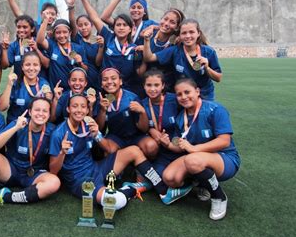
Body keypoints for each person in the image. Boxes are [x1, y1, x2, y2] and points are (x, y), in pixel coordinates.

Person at [49, 94, 191, 210]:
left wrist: (97, 134)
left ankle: (163, 190)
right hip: (79, 180)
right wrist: (62, 152)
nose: (78, 110)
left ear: (87, 110)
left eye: (82, 107)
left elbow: (108, 148)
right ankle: (130, 190)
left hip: (96, 168)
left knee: (134, 151)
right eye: (74, 106)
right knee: (115, 201)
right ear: (68, 109)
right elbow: (53, 171)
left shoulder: (88, 124)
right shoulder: (59, 134)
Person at [0, 97, 60, 237]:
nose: (40, 113)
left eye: (44, 111)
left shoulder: (53, 131)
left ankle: (5, 197)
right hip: (11, 170)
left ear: (49, 114)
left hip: (34, 174)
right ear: (29, 111)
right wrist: (16, 127)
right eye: (37, 110)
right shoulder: (18, 124)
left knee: (54, 183)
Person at [162, 78, 241, 220]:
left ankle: (219, 197)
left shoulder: (215, 109)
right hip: (197, 157)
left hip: (224, 157)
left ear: (197, 91)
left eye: (187, 92)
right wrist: (167, 143)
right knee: (170, 178)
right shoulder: (181, 118)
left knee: (193, 160)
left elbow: (224, 141)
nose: (184, 97)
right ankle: (201, 182)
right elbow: (180, 146)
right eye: (179, 94)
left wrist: (194, 149)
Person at [80, 0, 145, 94]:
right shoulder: (109, 37)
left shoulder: (134, 49)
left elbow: (139, 72)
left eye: (124, 25)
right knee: (107, 107)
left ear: (131, 29)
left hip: (124, 90)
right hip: (106, 88)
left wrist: (146, 55)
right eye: (118, 25)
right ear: (114, 28)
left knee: (119, 108)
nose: (121, 27)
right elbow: (95, 18)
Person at [143, 18, 222, 100]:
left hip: (204, 96)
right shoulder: (175, 51)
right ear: (180, 36)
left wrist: (207, 68)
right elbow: (149, 58)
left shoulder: (209, 52)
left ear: (198, 33)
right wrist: (146, 40)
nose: (188, 36)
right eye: (184, 33)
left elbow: (218, 78)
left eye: (191, 32)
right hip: (184, 96)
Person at [95, 68, 148, 154]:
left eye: (113, 78)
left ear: (120, 81)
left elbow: (144, 129)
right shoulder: (101, 101)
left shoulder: (132, 98)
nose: (109, 82)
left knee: (151, 147)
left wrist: (143, 112)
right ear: (101, 84)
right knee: (109, 150)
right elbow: (99, 129)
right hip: (116, 138)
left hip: (135, 136)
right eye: (105, 79)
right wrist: (102, 111)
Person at [140, 69, 182, 176]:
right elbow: (140, 129)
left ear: (163, 85)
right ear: (144, 86)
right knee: (158, 177)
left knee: (176, 176)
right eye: (149, 85)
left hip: (178, 145)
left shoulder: (175, 100)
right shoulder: (142, 104)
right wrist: (150, 129)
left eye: (156, 85)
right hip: (160, 150)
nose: (152, 89)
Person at [0, 51, 52, 123]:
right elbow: (2, 107)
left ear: (40, 67)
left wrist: (50, 99)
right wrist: (9, 85)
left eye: (35, 65)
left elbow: (47, 110)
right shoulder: (15, 84)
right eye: (27, 65)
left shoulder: (44, 84)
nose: (31, 68)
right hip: (16, 127)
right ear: (22, 67)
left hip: (36, 126)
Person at [139, 8, 185, 92]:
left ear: (177, 27)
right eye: (165, 19)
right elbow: (141, 33)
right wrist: (153, 27)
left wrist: (145, 45)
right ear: (161, 19)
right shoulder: (151, 33)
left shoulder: (175, 43)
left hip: (167, 88)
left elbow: (148, 58)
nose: (167, 23)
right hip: (148, 85)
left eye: (172, 22)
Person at [36, 18, 88, 90]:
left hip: (73, 90)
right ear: (54, 34)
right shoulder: (52, 45)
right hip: (56, 89)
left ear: (69, 33)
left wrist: (80, 62)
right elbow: (39, 40)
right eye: (58, 33)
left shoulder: (78, 48)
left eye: (65, 32)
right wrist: (45, 20)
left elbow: (86, 69)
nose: (61, 35)